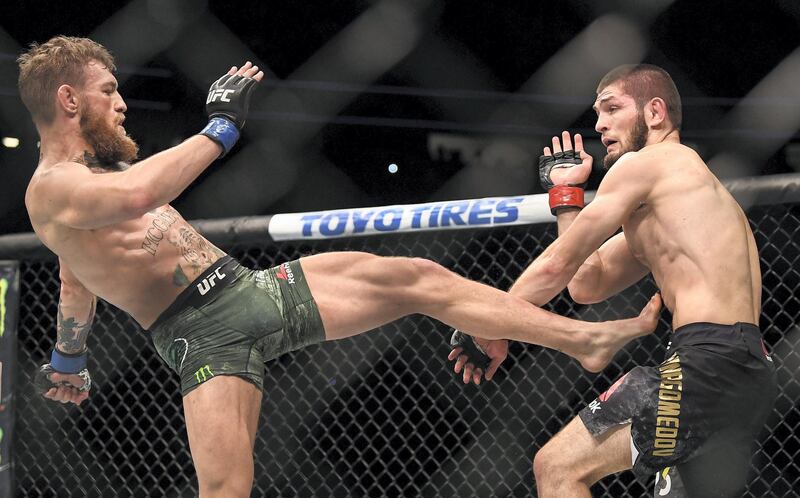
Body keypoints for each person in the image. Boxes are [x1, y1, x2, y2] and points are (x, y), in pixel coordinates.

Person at [19, 36, 661, 498]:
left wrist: (70, 357)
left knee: (416, 277)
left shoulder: (104, 174)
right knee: (224, 489)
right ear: (70, 100)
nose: (123, 103)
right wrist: (219, 127)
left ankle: (585, 340)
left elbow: (77, 275)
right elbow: (137, 201)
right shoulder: (52, 189)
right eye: (109, 91)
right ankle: (585, 341)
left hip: (246, 291)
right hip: (199, 336)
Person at [451, 64, 778, 497]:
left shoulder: (651, 163)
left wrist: (490, 322)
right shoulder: (678, 199)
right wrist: (567, 197)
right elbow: (587, 282)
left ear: (656, 112)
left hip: (704, 362)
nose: (600, 124)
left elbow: (556, 265)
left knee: (557, 467)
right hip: (742, 368)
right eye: (597, 113)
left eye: (612, 108)